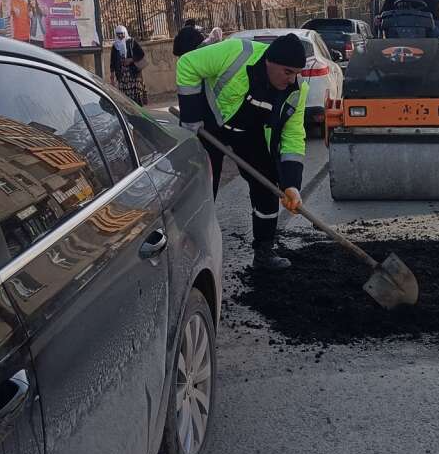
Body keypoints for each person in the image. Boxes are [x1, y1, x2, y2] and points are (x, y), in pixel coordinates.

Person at [176, 33, 308, 270]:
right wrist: (191, 117)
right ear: (269, 61)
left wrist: (291, 184)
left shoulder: (296, 91)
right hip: (209, 123)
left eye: (296, 73)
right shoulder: (236, 52)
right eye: (287, 72)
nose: (291, 80)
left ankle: (264, 252)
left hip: (249, 132)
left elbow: (293, 137)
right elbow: (187, 64)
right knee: (203, 186)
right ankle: (191, 255)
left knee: (268, 186)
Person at [110, 25, 147, 105]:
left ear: (125, 33)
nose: (120, 36)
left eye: (122, 33)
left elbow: (141, 54)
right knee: (124, 96)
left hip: (133, 73)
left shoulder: (131, 42)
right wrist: (112, 75)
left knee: (136, 93)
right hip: (121, 74)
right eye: (118, 34)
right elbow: (112, 61)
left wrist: (131, 60)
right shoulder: (115, 46)